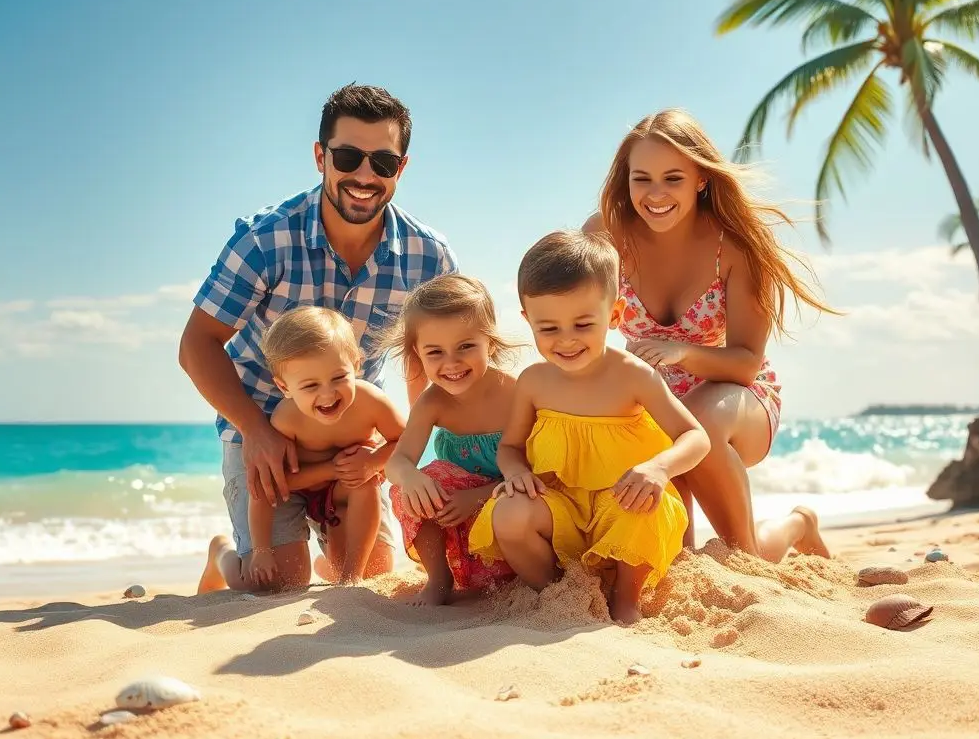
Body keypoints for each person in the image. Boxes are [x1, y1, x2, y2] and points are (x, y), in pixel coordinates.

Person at [182, 83, 457, 594]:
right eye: (348, 156)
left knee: (371, 578)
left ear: (402, 168)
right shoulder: (265, 239)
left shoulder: (429, 256)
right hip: (265, 433)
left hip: (351, 438)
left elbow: (427, 360)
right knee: (278, 584)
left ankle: (331, 558)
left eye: (383, 162)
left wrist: (400, 453)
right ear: (320, 156)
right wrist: (255, 431)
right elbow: (197, 343)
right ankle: (224, 552)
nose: (364, 176)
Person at [585, 107, 833, 562]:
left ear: (701, 179)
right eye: (642, 179)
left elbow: (746, 362)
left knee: (747, 554)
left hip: (735, 398)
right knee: (672, 560)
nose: (655, 194)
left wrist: (681, 352)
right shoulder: (604, 235)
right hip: (653, 404)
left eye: (673, 178)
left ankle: (797, 525)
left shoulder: (735, 246)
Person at [468, 231, 711, 624]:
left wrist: (659, 468)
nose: (566, 341)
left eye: (582, 324)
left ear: (614, 315)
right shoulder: (533, 382)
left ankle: (625, 599)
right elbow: (510, 447)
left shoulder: (634, 376)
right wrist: (514, 473)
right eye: (548, 329)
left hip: (623, 504)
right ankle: (557, 591)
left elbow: (695, 437)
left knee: (645, 510)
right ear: (528, 320)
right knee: (509, 512)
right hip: (561, 508)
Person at [232, 306, 405, 590]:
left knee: (377, 567)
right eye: (310, 385)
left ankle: (350, 579)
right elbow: (267, 488)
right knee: (273, 583)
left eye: (338, 378)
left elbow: (408, 442)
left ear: (356, 364)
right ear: (284, 386)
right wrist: (261, 551)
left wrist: (374, 461)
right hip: (296, 490)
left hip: (343, 493)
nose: (327, 394)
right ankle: (223, 556)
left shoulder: (370, 402)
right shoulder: (286, 420)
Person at [382, 274, 521, 606]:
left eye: (466, 346)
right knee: (407, 488)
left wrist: (476, 496)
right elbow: (396, 463)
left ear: (490, 341)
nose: (451, 363)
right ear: (417, 352)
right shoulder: (433, 402)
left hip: (512, 502)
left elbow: (540, 472)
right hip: (459, 518)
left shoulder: (515, 392)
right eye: (435, 352)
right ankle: (439, 579)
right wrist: (412, 477)